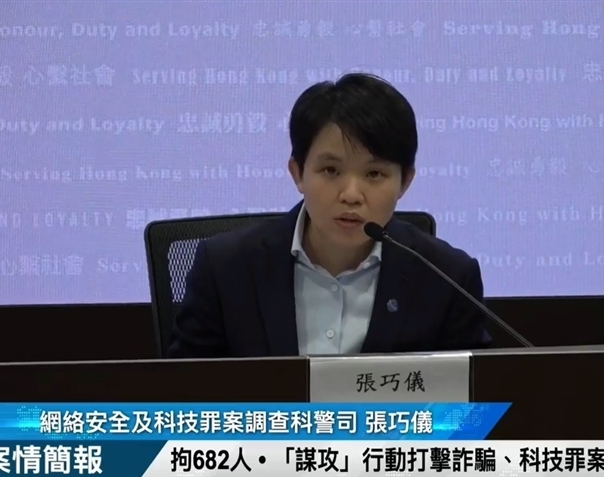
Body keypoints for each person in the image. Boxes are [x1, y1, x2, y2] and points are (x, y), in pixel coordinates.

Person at [168, 73, 492, 358]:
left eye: (374, 174)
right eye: (331, 170)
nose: (351, 194)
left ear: (405, 182)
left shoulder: (448, 279)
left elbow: (472, 398)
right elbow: (185, 393)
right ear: (298, 173)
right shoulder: (225, 268)